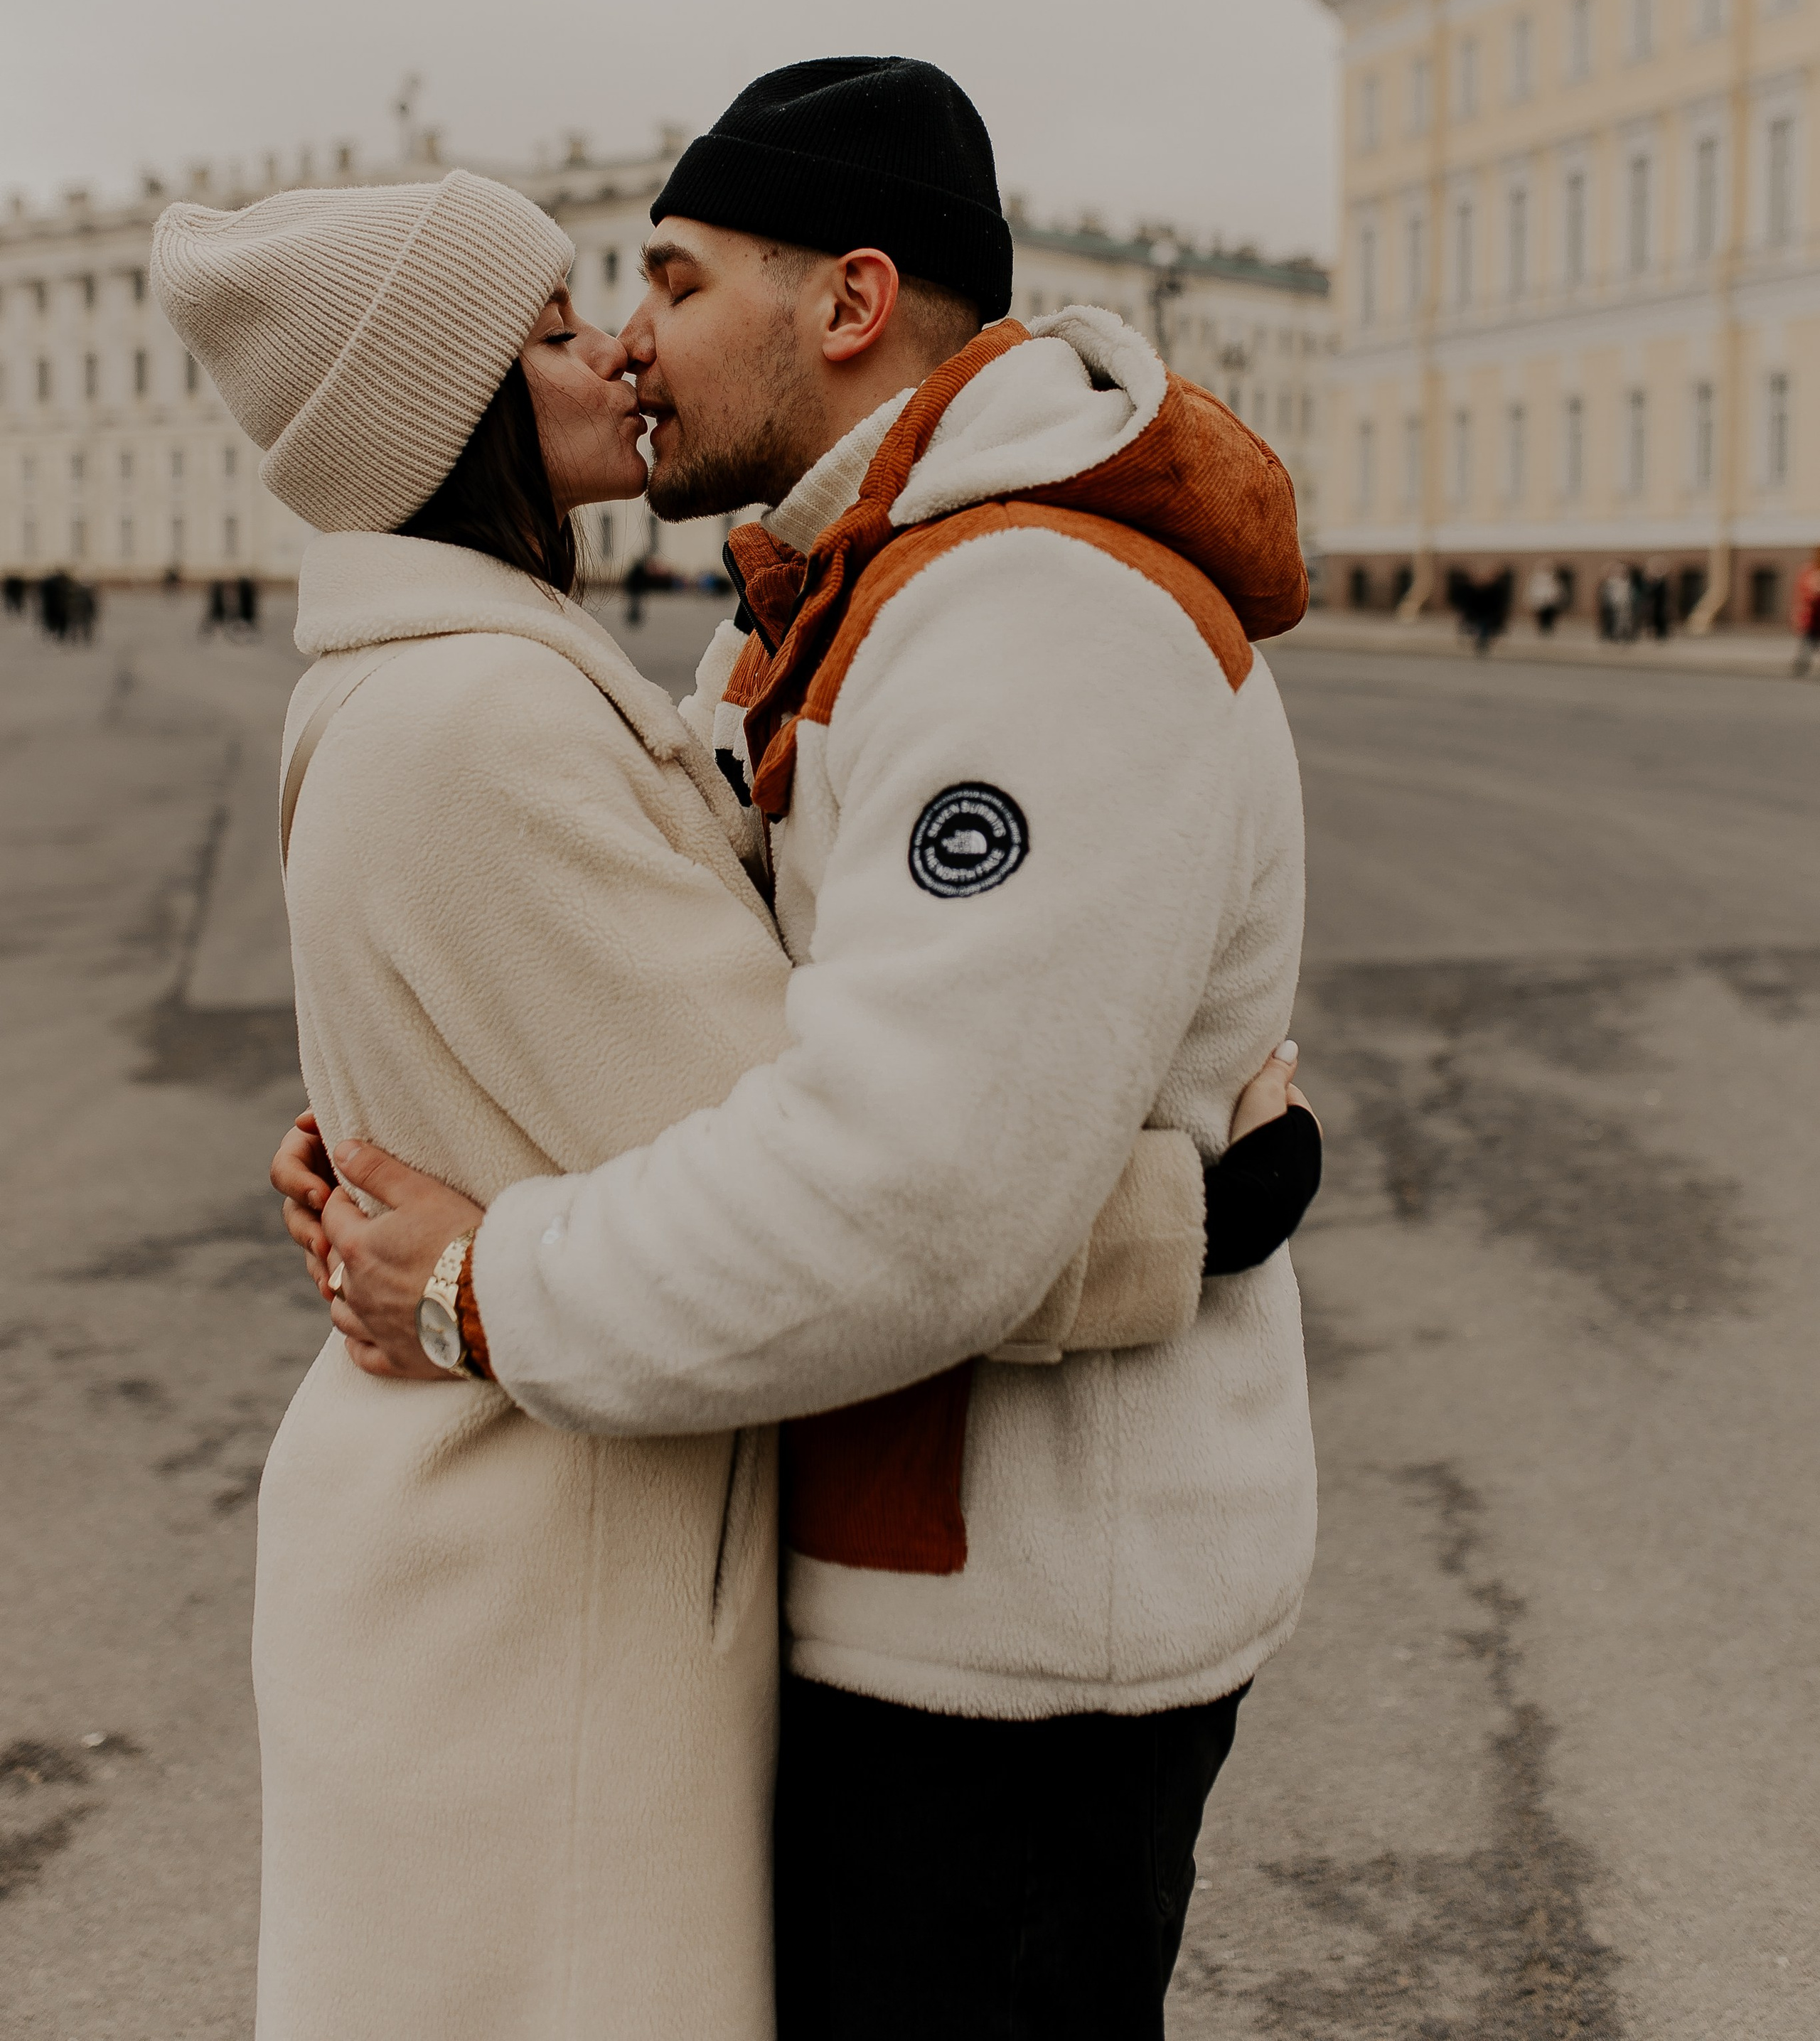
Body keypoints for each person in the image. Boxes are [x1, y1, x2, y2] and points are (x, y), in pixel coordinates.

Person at [160, 160, 1299, 2041]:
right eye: (554, 327)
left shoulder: (504, 674)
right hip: (536, 1575)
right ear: (442, 418)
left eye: (650, 289)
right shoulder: (489, 715)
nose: (618, 340)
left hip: (549, 1540)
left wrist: (426, 1193)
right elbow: (865, 1184)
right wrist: (1209, 1196)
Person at [1792, 545, 1820, 675]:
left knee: (1808, 644)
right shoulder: (1810, 570)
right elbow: (1803, 594)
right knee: (1807, 644)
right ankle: (1800, 669)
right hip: (1813, 616)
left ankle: (1800, 669)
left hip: (1815, 616)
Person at [1526, 560, 1564, 635]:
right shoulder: (1537, 577)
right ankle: (1542, 628)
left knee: (1550, 616)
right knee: (1541, 616)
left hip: (1550, 601)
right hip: (1540, 600)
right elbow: (1533, 589)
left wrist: (1555, 597)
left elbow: (1556, 589)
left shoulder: (1553, 577)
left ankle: (1549, 628)